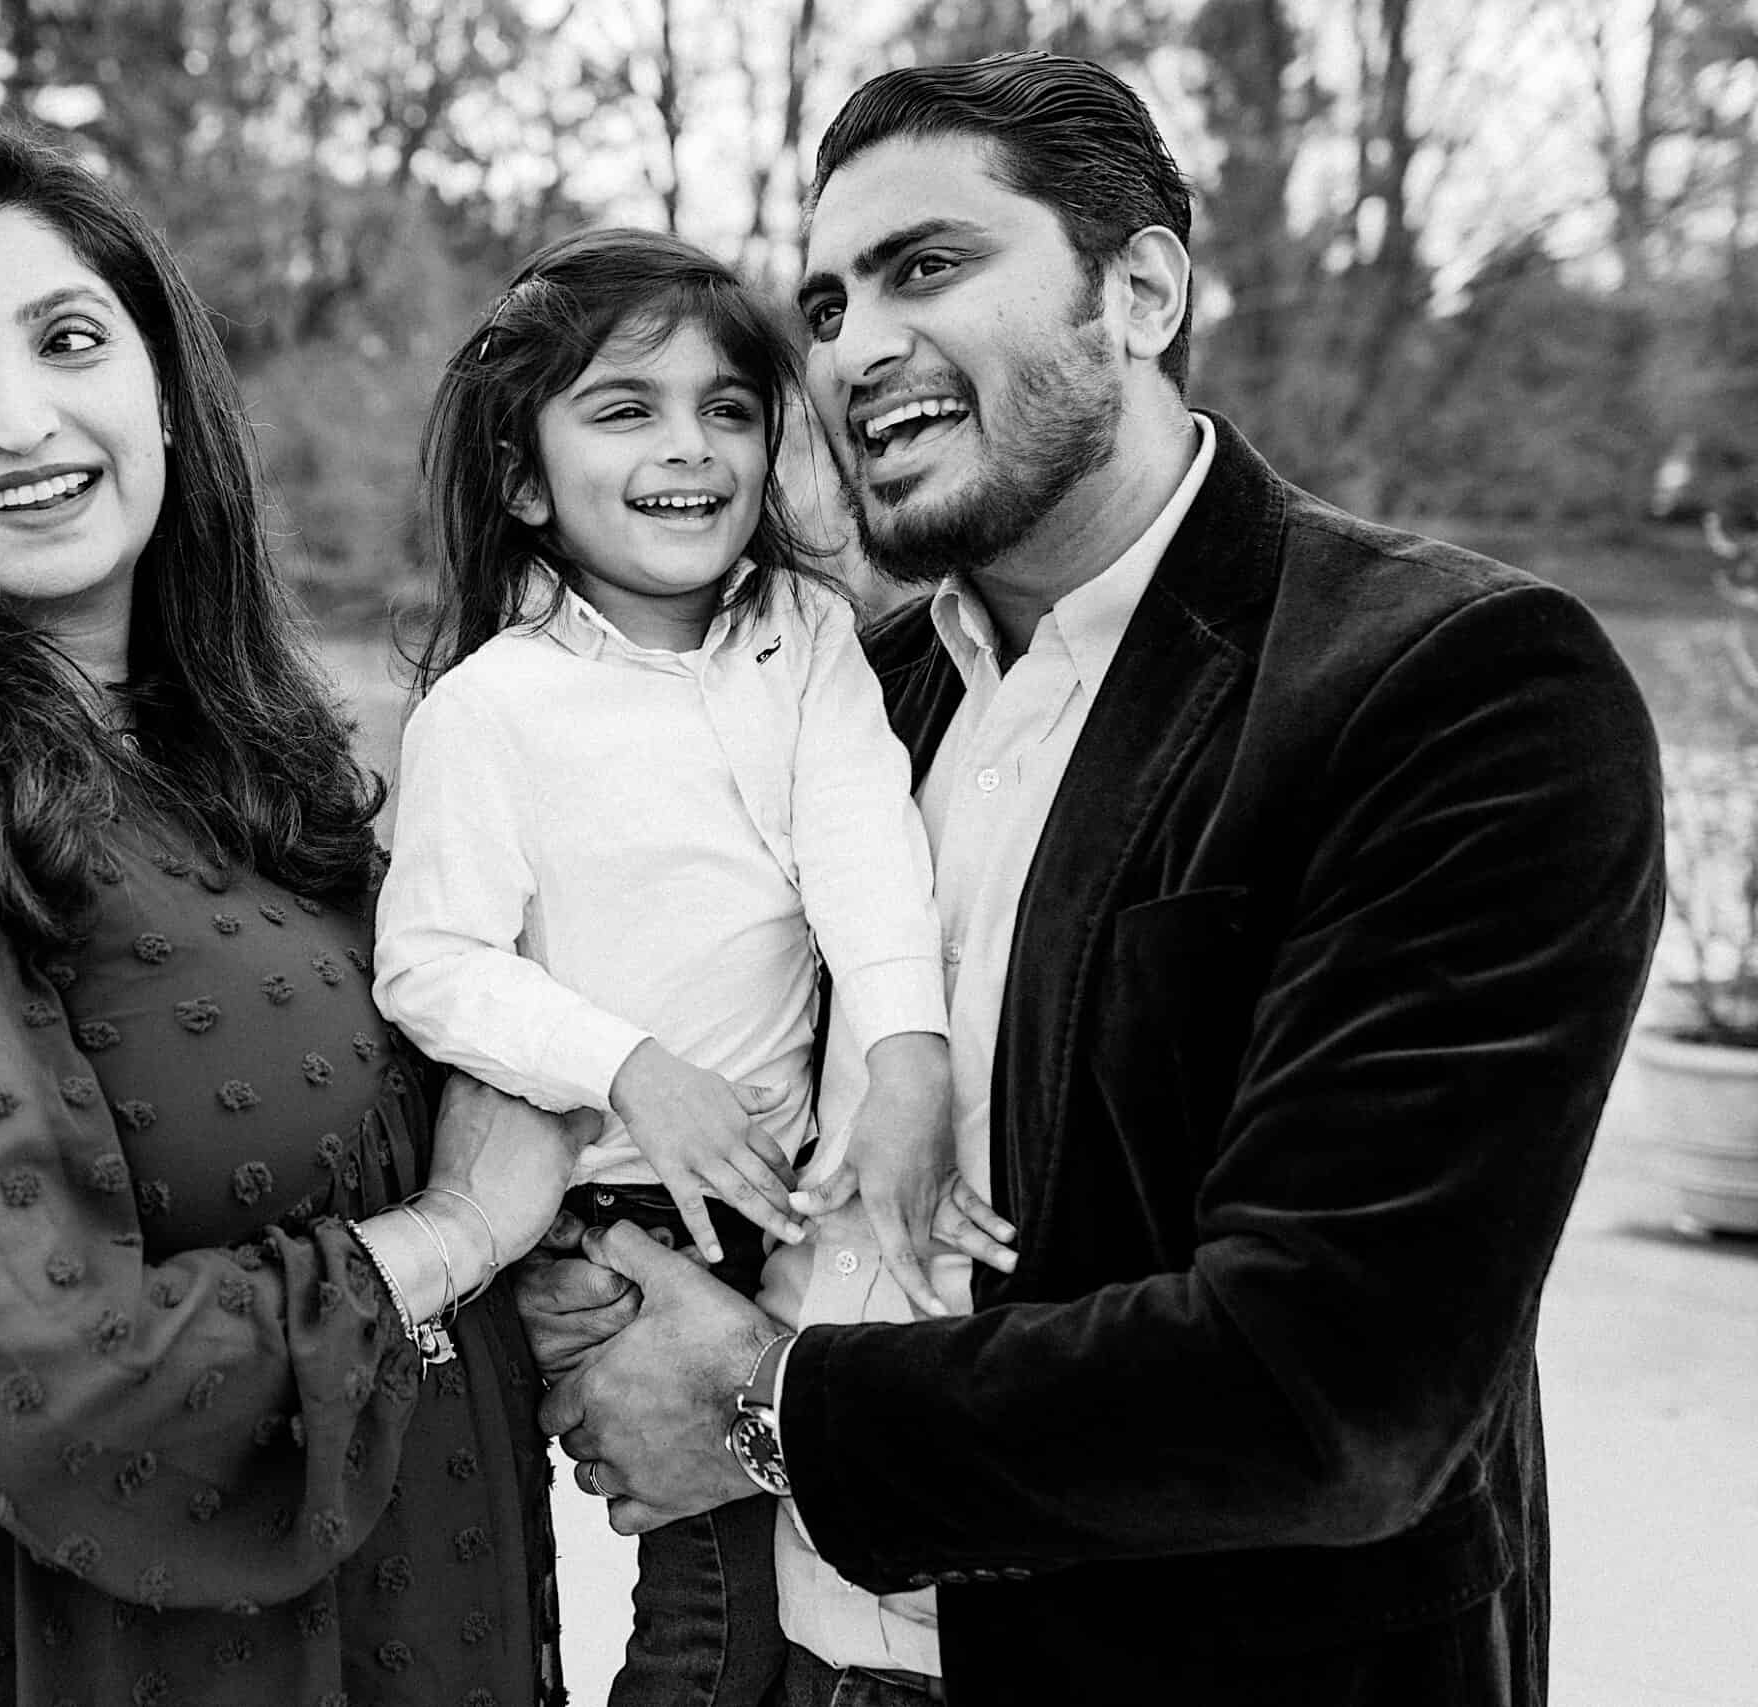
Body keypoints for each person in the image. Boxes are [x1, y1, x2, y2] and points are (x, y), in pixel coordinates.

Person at [523, 51, 1664, 1707]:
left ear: (1138, 289)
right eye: (828, 306)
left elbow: (1333, 1385)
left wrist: (769, 1410)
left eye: (931, 266)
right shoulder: (846, 701)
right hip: (780, 1664)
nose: (859, 349)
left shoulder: (1453, 687)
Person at [0, 125, 578, 1707]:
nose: (21, 420)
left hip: (404, 1607)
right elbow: (41, 1371)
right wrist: (456, 1239)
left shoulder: (262, 759)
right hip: (42, 1635)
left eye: (70, 340)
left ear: (163, 386)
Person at [372, 228, 1012, 1707]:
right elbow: (434, 965)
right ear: (527, 482)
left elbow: (863, 845)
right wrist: (629, 1065)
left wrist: (910, 1053)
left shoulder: (803, 634)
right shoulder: (494, 711)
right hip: (615, 1209)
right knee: (718, 1614)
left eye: (728, 408)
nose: (692, 446)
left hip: (785, 1184)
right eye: (627, 408)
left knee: (813, 1577)